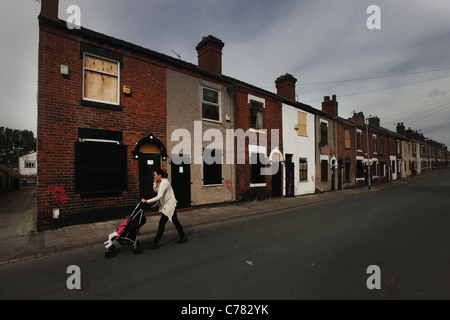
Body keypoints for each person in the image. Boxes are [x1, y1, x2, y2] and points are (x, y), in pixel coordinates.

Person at [141, 169, 187, 249]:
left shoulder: (164, 183)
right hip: (167, 205)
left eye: (155, 175)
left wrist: (147, 201)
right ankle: (183, 237)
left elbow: (159, 196)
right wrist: (155, 183)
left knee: (162, 223)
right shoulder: (160, 182)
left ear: (160, 175)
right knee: (175, 221)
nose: (154, 176)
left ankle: (155, 243)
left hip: (169, 206)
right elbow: (156, 191)